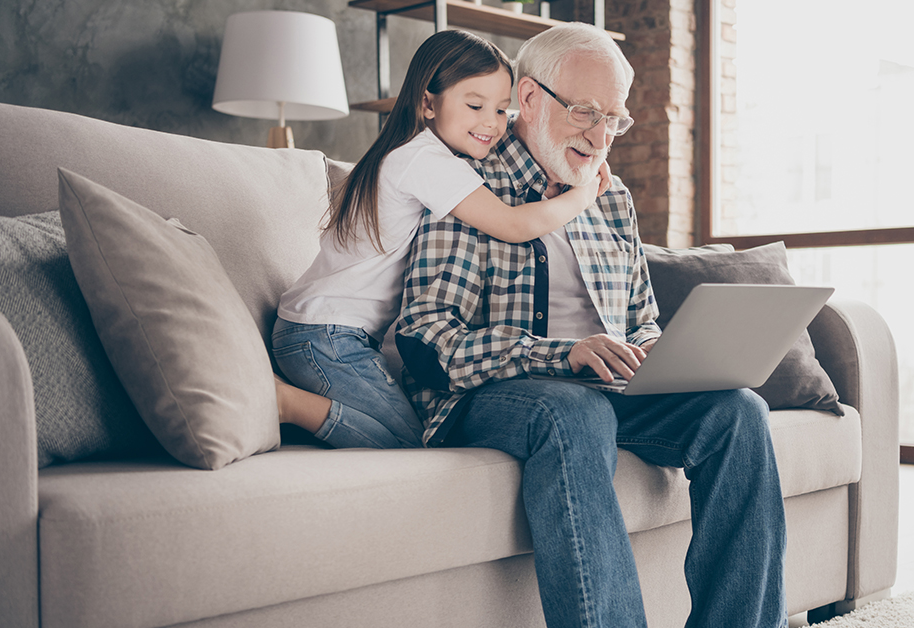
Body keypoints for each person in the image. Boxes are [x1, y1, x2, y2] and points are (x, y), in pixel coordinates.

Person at [395, 23, 787, 628]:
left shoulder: (612, 196)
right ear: (529, 98)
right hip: (494, 395)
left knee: (738, 412)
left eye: (615, 119)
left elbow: (641, 319)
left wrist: (662, 354)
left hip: (607, 389)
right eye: (585, 112)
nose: (601, 136)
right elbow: (428, 337)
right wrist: (562, 354)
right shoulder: (468, 181)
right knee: (573, 411)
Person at [272, 29, 609, 450]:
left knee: (405, 435)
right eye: (475, 105)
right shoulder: (424, 159)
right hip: (324, 334)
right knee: (405, 447)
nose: (492, 123)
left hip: (325, 330)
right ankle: (284, 403)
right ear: (428, 103)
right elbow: (514, 225)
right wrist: (583, 193)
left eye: (500, 109)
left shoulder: (414, 152)